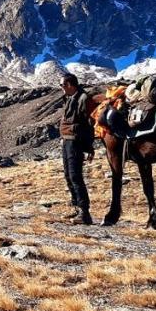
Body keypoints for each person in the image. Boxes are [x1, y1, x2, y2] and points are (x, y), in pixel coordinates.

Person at [59, 74, 94, 224]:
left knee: (75, 176)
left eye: (63, 85)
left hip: (76, 141)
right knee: (68, 175)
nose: (61, 88)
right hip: (66, 140)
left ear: (70, 85)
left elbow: (89, 124)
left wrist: (88, 147)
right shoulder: (68, 98)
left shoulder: (83, 99)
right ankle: (76, 208)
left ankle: (84, 212)